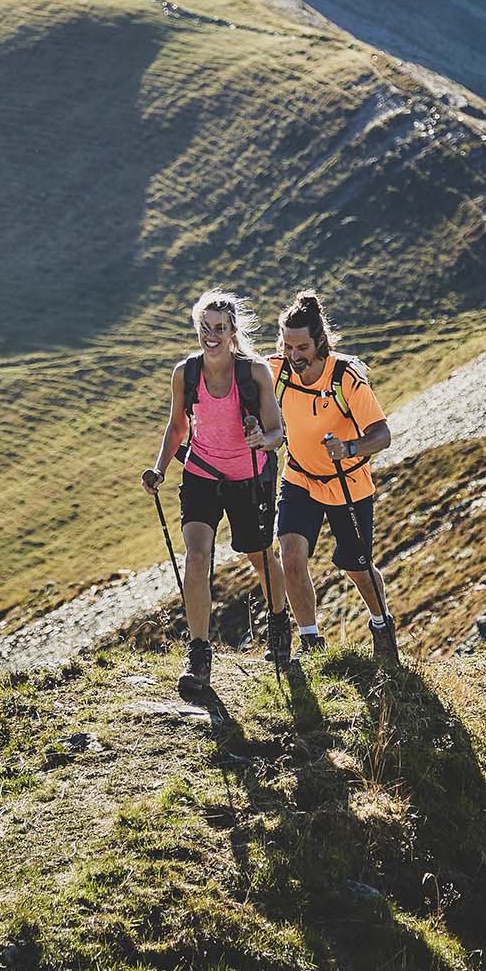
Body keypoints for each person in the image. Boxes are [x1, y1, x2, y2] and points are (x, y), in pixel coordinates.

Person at [141, 290, 289, 699]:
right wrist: (160, 467)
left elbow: (278, 432)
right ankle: (199, 655)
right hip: (201, 474)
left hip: (249, 477)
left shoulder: (255, 372)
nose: (211, 336)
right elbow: (177, 428)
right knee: (198, 556)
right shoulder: (185, 374)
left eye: (219, 328)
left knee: (260, 557)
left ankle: (279, 626)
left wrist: (263, 438)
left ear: (233, 331)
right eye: (204, 328)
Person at [269, 291, 398, 664]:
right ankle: (311, 642)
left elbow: (382, 435)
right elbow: (242, 378)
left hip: (348, 483)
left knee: (357, 567)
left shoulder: (347, 378)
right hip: (300, 477)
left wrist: (350, 448)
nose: (295, 355)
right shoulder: (276, 370)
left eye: (303, 347)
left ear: (320, 341)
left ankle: (381, 625)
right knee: (290, 557)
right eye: (288, 346)